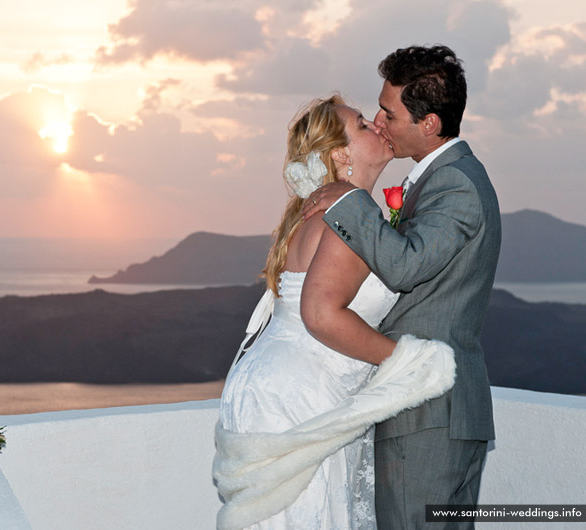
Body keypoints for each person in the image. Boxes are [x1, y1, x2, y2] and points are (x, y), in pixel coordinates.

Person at [213, 95, 456, 530]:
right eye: (362, 123)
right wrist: (409, 363)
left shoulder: (339, 213)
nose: (378, 124)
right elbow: (321, 316)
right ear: (340, 154)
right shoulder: (342, 221)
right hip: (298, 395)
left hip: (292, 385)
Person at [303, 45, 501, 529]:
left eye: (388, 112)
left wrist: (351, 200)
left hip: (430, 417)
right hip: (435, 413)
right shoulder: (439, 180)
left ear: (429, 123)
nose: (378, 119)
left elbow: (406, 267)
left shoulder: (455, 184)